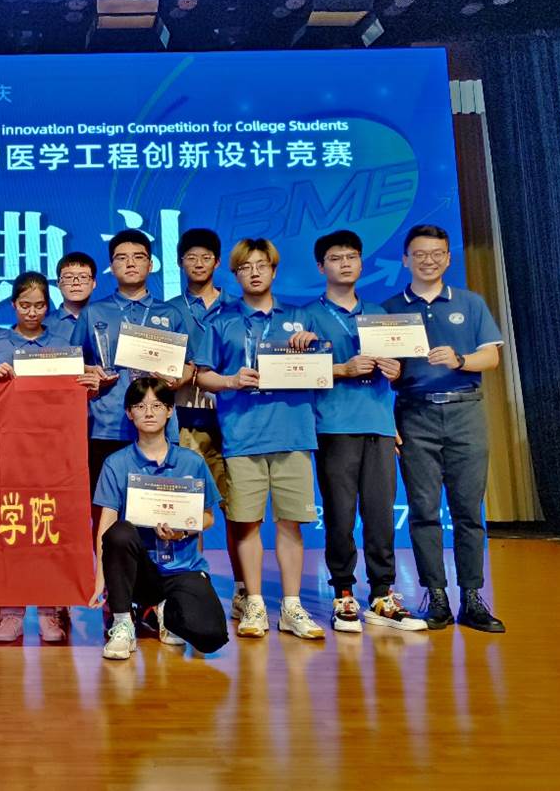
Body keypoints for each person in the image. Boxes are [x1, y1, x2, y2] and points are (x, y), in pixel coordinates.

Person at [192, 238, 326, 641]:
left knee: (290, 524)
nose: (254, 272)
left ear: (274, 269)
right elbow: (203, 375)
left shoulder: (300, 317)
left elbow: (323, 366)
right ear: (234, 274)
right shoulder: (222, 320)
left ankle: (291, 605)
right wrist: (231, 381)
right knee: (246, 524)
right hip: (243, 435)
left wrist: (312, 345)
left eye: (261, 265)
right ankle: (253, 602)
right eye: (245, 267)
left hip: (293, 433)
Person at [382, 224, 505, 633]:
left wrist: (459, 360)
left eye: (437, 253)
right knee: (423, 510)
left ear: (449, 258)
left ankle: (472, 596)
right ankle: (435, 595)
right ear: (405, 259)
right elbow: (381, 375)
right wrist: (389, 376)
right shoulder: (389, 309)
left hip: (465, 412)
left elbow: (491, 358)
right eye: (419, 254)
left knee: (468, 510)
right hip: (414, 415)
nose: (428, 261)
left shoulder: (470, 303)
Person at [305, 230, 426, 633]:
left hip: (378, 424)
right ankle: (343, 591)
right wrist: (340, 368)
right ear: (321, 267)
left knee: (379, 514)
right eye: (335, 258)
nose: (345, 264)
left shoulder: (379, 314)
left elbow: (402, 368)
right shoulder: (307, 316)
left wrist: (396, 369)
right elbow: (293, 372)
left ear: (360, 262)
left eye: (352, 256)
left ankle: (382, 593)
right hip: (334, 426)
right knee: (339, 516)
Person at [0, 271, 99, 643]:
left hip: (55, 451)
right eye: (25, 305)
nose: (32, 312)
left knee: (51, 529)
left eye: (40, 305)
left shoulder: (63, 342)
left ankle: (50, 611)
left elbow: (78, 390)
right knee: (12, 529)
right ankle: (11, 613)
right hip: (10, 450)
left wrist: (90, 384)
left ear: (48, 306)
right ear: (13, 304)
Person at [90, 378, 228, 659]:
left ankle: (163, 610)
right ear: (129, 413)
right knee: (119, 532)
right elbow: (106, 524)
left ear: (169, 411)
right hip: (139, 572)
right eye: (140, 406)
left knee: (211, 636)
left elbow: (208, 518)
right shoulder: (116, 463)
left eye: (156, 406)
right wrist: (100, 580)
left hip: (181, 567)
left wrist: (182, 531)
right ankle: (122, 622)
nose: (149, 413)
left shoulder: (192, 462)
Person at [70, 229, 191, 500]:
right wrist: (88, 372)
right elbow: (73, 363)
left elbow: (189, 365)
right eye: (122, 258)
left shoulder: (170, 313)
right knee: (105, 507)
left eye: (138, 257)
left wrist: (177, 380)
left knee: (157, 506)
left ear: (151, 264)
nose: (131, 263)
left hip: (159, 425)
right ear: (111, 267)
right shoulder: (94, 312)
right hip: (106, 425)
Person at [162, 228, 237, 573]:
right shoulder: (167, 311)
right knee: (189, 505)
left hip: (233, 417)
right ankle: (193, 577)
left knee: (237, 508)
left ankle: (242, 587)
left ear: (218, 262)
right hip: (185, 417)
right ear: (180, 263)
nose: (198, 263)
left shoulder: (236, 307)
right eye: (191, 257)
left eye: (206, 257)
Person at [48, 251, 98, 340]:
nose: (75, 283)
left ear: (94, 283)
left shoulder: (106, 319)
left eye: (83, 277)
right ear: (58, 283)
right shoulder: (44, 325)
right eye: (68, 277)